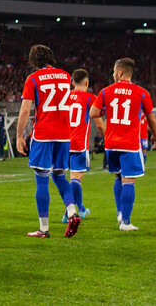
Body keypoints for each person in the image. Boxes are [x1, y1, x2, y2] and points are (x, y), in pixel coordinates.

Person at [16, 44, 81, 238]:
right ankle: (72, 212)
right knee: (60, 176)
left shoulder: (33, 79)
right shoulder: (65, 76)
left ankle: (43, 229)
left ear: (33, 61)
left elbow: (25, 110)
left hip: (44, 133)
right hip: (63, 134)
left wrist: (19, 135)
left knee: (42, 179)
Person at [90, 58, 156, 231]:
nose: (113, 74)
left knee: (117, 176)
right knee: (129, 180)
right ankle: (126, 222)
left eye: (114, 71)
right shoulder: (142, 92)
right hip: (130, 144)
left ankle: (120, 213)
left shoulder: (106, 91)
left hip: (111, 144)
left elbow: (93, 113)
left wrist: (109, 110)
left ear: (120, 72)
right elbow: (151, 118)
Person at [60, 69, 106, 223]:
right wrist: (108, 138)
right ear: (86, 83)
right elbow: (99, 125)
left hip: (62, 143)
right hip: (79, 144)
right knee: (75, 178)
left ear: (72, 82)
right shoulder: (91, 98)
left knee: (62, 177)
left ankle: (80, 208)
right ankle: (69, 212)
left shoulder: (64, 97)